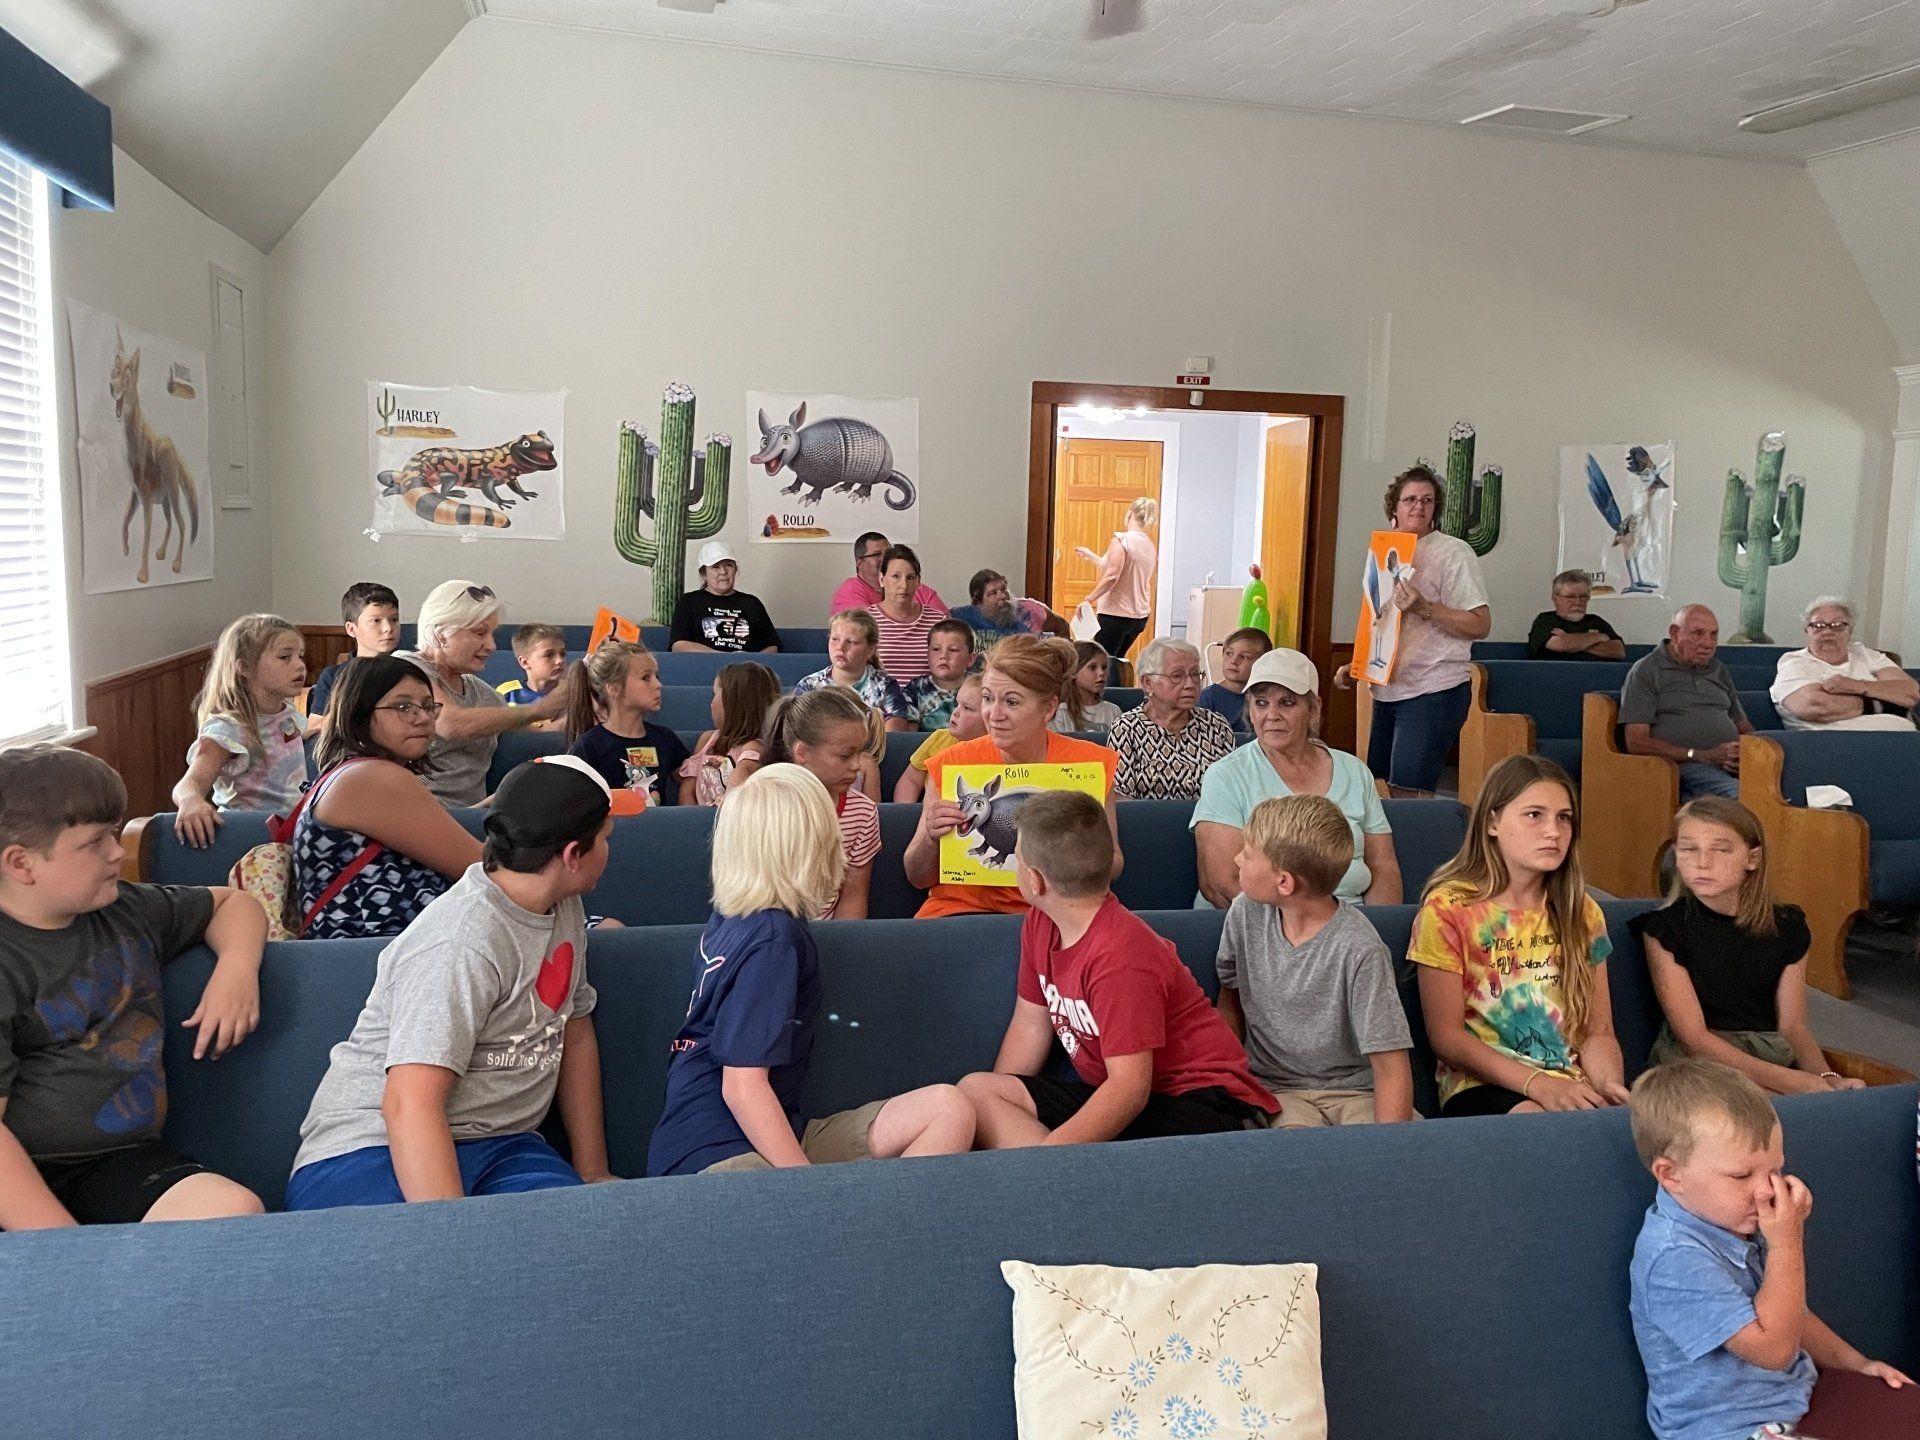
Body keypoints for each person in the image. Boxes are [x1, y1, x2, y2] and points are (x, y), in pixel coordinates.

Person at [285, 756, 617, 1209]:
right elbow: (409, 1102)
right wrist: (453, 1237)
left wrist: (592, 1169)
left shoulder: (564, 908)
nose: (609, 850)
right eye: (605, 838)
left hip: (501, 1145)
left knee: (581, 1232)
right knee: (412, 1252)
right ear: (573, 855)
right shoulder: (462, 939)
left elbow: (571, 1028)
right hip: (371, 1145)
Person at [645, 765, 975, 1176]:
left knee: (948, 1108)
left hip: (769, 1134)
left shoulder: (735, 916)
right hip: (719, 1156)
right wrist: (808, 1186)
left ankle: (877, 1218)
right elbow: (743, 1087)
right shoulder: (772, 941)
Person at [0, 746, 266, 1229]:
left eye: (114, 833)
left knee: (233, 1212)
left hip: (118, 1161)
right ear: (22, 864)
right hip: (16, 1171)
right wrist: (63, 1244)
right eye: (94, 842)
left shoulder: (126, 908)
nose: (117, 852)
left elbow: (233, 904)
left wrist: (236, 971)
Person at [957, 791, 1277, 1146]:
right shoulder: (1041, 921)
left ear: (1035, 880)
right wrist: (999, 1113)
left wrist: (1052, 1153)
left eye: (1018, 860)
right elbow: (1030, 1026)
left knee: (1052, 1149)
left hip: (1203, 1101)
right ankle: (1053, 1171)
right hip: (1129, 1093)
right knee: (978, 1091)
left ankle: (1053, 1173)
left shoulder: (1121, 956)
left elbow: (1129, 1088)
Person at [1628, 1059, 1914, 1440]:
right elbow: (1774, 1350)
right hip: (1731, 1429)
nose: (1766, 1190)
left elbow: (1793, 1318)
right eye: (1741, 1175)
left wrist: (1857, 1365)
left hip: (1799, 1405)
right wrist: (1787, 1242)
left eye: (1775, 1171)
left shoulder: (1736, 1222)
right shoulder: (1674, 1257)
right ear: (1670, 1175)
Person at [1411, 753, 1628, 1117]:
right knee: (1537, 1123)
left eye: (1564, 818)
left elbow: (1599, 1031)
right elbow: (1447, 1038)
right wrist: (1538, 1084)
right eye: (1534, 815)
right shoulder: (1448, 908)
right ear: (1492, 821)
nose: (1553, 832)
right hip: (1482, 1085)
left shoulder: (1581, 911)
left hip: (1569, 1083)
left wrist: (1607, 1089)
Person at [1633, 798, 1862, 1096]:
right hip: (1696, 1066)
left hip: (1768, 1058)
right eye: (1689, 849)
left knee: (1838, 1099)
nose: (1702, 862)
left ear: (1752, 859)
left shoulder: (1788, 925)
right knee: (1765, 1108)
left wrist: (1826, 1077)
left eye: (1720, 849)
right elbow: (1694, 1039)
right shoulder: (1665, 929)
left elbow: (1793, 1027)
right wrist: (1793, 1083)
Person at [1217, 794, 1414, 1128]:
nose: (1237, 859)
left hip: (1356, 1093)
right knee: (1296, 1147)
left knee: (1378, 1150)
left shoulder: (1361, 948)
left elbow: (1390, 1063)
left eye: (1247, 854)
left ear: (1284, 882)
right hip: (1278, 1090)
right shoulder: (1244, 913)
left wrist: (1390, 1148)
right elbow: (1229, 997)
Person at [907, 635, 1123, 918]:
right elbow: (917, 877)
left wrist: (1084, 855)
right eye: (987, 698)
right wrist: (931, 838)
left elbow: (1113, 865)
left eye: (1011, 702)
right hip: (963, 912)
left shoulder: (1089, 764)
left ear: (1048, 709)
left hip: (1059, 913)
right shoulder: (951, 764)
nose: (994, 715)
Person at [293, 656, 484, 940]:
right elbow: (479, 865)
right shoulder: (373, 778)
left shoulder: (354, 772)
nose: (423, 718)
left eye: (427, 706)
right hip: (375, 950)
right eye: (403, 707)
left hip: (397, 943)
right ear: (359, 713)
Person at [1193, 649, 1400, 908]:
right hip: (1260, 920)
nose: (1272, 714)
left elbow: (1382, 866)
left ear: (1314, 708)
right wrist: (1306, 925)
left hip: (1350, 918)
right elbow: (1223, 883)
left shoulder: (1354, 771)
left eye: (1287, 703)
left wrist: (1377, 925)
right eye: (1261, 703)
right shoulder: (1226, 775)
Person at [1335, 465, 1492, 797]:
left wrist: (1425, 608)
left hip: (1433, 688)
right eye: (1410, 500)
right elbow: (1381, 622)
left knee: (1408, 794)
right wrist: (1359, 665)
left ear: (1436, 509)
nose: (1419, 506)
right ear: (1394, 508)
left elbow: (1480, 623)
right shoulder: (1385, 552)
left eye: (1427, 500)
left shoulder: (1453, 551)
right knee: (1376, 790)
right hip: (1388, 689)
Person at [400, 580, 565, 808]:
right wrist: (539, 709)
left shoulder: (483, 693)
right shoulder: (404, 668)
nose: (491, 646)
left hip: (473, 816)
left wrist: (584, 707)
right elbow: (450, 724)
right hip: (415, 813)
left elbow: (540, 731)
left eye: (492, 634)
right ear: (440, 634)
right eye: (479, 633)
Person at [172, 614, 309, 848]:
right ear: (244, 667)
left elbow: (278, 746)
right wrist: (191, 800)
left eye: (300, 656)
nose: (300, 665)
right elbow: (190, 783)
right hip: (250, 839)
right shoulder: (229, 729)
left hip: (292, 831)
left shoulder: (285, 713)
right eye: (285, 657)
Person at [760, 688, 879, 919]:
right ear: (803, 753)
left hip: (826, 935)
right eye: (845, 755)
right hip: (765, 929)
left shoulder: (863, 813)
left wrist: (838, 939)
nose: (856, 766)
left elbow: (853, 897)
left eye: (859, 753)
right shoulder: (763, 803)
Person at [1622, 605, 1753, 801]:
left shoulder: (1718, 669)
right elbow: (1636, 742)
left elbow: (1743, 725)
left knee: (1788, 789)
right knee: (1749, 796)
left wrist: (1748, 754)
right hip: (1684, 766)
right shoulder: (1646, 670)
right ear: (1675, 634)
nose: (1708, 643)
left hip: (1732, 766)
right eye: (1698, 634)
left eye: (1713, 635)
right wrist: (1702, 755)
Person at [565, 640, 691, 810]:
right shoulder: (589, 746)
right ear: (614, 688)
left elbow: (690, 780)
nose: (658, 685)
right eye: (646, 678)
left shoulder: (665, 739)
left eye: (656, 677)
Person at [1106, 637, 1237, 800]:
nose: (1190, 684)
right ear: (1148, 683)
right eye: (1177, 676)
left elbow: (1235, 790)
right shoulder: (1126, 729)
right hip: (1149, 817)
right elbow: (1120, 798)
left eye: (1195, 674)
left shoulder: (1216, 725)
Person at [1770, 595, 1918, 732]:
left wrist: (1856, 686)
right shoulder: (1794, 662)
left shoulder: (1866, 654)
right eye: (1818, 625)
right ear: (1807, 631)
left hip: (1904, 741)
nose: (1827, 631)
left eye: (1837, 625)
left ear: (1850, 631)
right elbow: (1814, 706)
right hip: (1837, 744)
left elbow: (1910, 692)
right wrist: (1886, 704)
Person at [679, 662, 780, 806]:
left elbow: (742, 774)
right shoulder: (707, 740)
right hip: (699, 817)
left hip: (733, 815)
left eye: (714, 694)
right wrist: (692, 816)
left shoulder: (753, 747)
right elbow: (687, 792)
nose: (711, 703)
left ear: (733, 702)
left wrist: (728, 800)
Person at [795, 609, 914, 732]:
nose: (840, 647)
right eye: (835, 639)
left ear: (870, 650)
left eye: (850, 642)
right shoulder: (809, 686)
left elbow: (894, 732)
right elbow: (797, 729)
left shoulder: (886, 686)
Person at [306, 581, 401, 729]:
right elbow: (314, 728)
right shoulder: (334, 676)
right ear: (351, 629)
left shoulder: (407, 671)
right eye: (376, 621)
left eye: (394, 619)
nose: (388, 628)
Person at [1075, 496, 1159, 663]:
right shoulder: (1149, 546)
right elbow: (1123, 569)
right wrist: (1091, 556)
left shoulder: (1121, 540)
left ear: (1130, 513)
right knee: (1116, 660)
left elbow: (1113, 575)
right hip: (1139, 617)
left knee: (1102, 662)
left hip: (1116, 614)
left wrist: (1089, 598)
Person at [670, 542, 780, 654]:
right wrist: (721, 656)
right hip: (704, 663)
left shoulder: (751, 603)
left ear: (735, 570)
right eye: (715, 567)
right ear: (704, 574)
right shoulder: (689, 602)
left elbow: (771, 646)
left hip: (746, 664)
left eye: (729, 565)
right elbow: (678, 645)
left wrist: (751, 661)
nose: (723, 572)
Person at [894, 673, 985, 803]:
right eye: (957, 704)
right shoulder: (938, 738)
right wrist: (906, 811)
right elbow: (911, 780)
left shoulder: (1003, 750)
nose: (955, 712)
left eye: (967, 708)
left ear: (990, 716)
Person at [868, 544, 942, 684]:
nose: (904, 585)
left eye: (910, 577)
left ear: (918, 582)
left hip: (927, 696)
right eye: (896, 576)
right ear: (882, 579)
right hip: (878, 696)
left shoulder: (938, 622)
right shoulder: (865, 621)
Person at [830, 530, 946, 618]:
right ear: (860, 563)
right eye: (876, 554)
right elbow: (867, 630)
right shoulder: (850, 590)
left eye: (888, 552)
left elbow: (946, 625)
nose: (886, 558)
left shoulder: (915, 586)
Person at [1528, 571, 1626, 661]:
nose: (1577, 602)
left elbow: (1618, 651)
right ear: (1555, 598)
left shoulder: (1596, 621)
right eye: (1570, 597)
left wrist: (1570, 640)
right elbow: (1560, 644)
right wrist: (1599, 637)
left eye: (1583, 596)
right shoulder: (1545, 620)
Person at [1197, 626, 1275, 736]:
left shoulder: (1266, 697)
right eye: (1229, 653)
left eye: (1245, 657)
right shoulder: (1207, 698)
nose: (1233, 661)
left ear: (1263, 662)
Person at [904, 618, 978, 732]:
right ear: (927, 654)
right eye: (936, 649)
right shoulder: (915, 689)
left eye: (953, 650)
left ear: (970, 659)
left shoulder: (980, 687)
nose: (943, 656)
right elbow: (909, 736)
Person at [950, 569, 1050, 647]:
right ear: (978, 602)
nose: (1002, 596)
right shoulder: (961, 617)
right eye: (993, 593)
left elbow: (1058, 627)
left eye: (1004, 589)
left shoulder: (1028, 610)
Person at [1050, 641, 1124, 735]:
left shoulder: (1113, 711)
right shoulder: (1060, 712)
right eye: (1092, 667)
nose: (1101, 673)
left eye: (1104, 667)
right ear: (1073, 672)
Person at [496, 623, 569, 706]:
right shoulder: (507, 693)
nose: (560, 661)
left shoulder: (573, 692)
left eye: (562, 654)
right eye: (549, 655)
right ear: (525, 662)